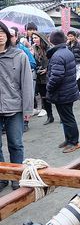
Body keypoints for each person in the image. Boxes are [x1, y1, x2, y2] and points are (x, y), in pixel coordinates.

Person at [0, 21, 33, 191]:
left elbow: (27, 84)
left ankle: (17, 175)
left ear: (7, 35)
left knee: (16, 143)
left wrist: (28, 109)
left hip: (14, 107)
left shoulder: (19, 55)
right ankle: (3, 176)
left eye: (2, 32)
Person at [47, 31, 80, 153]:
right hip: (67, 90)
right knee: (65, 117)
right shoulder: (66, 51)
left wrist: (49, 87)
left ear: (52, 41)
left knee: (67, 118)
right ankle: (69, 139)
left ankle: (74, 142)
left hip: (63, 92)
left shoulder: (57, 55)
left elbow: (56, 76)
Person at [32, 31, 54, 125]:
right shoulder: (34, 48)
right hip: (40, 76)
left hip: (50, 76)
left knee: (53, 96)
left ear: (41, 38)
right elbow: (34, 61)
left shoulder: (50, 48)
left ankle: (62, 116)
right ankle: (50, 116)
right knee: (44, 97)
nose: (34, 40)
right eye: (33, 38)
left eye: (36, 38)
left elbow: (54, 61)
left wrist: (47, 69)